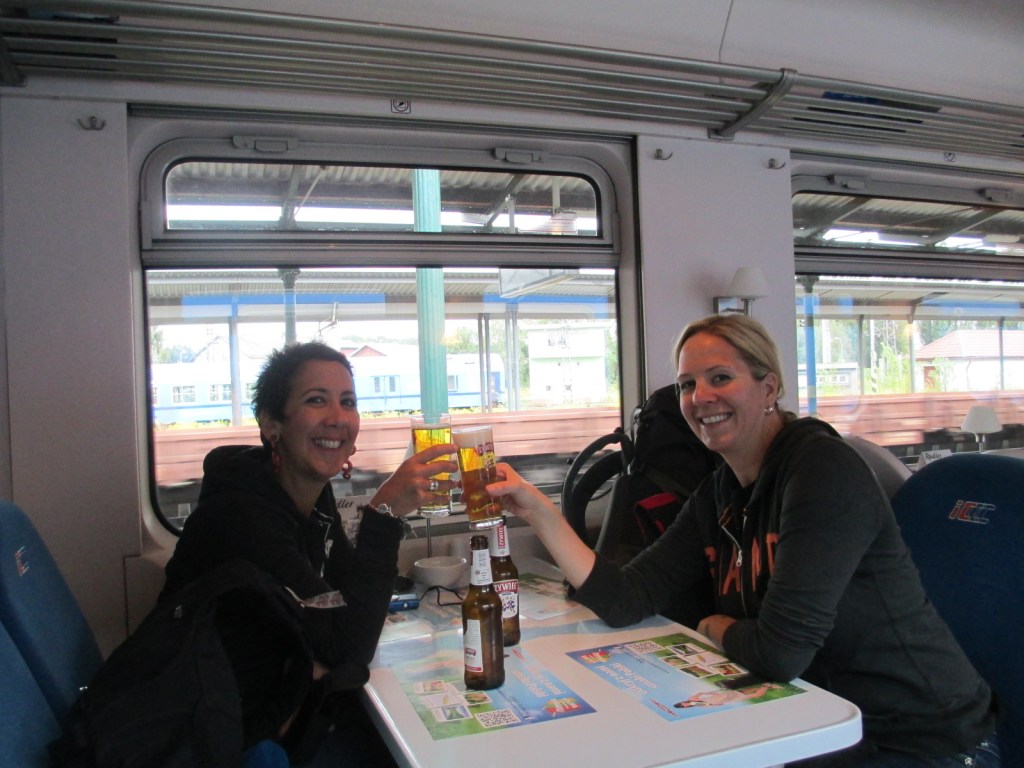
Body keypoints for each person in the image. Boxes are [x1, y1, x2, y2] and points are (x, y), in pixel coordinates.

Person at [488, 314, 1000, 767]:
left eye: (720, 378)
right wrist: (536, 509)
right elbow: (626, 597)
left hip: (920, 739)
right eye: (687, 384)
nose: (700, 397)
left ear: (768, 387)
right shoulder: (721, 491)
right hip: (816, 722)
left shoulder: (823, 471)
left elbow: (779, 654)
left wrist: (715, 625)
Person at [162, 341, 458, 764]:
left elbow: (343, 609)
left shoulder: (312, 498)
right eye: (316, 400)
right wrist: (383, 514)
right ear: (271, 424)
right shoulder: (242, 518)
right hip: (223, 738)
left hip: (272, 706)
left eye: (348, 402)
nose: (337, 417)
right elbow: (349, 647)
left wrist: (327, 653)